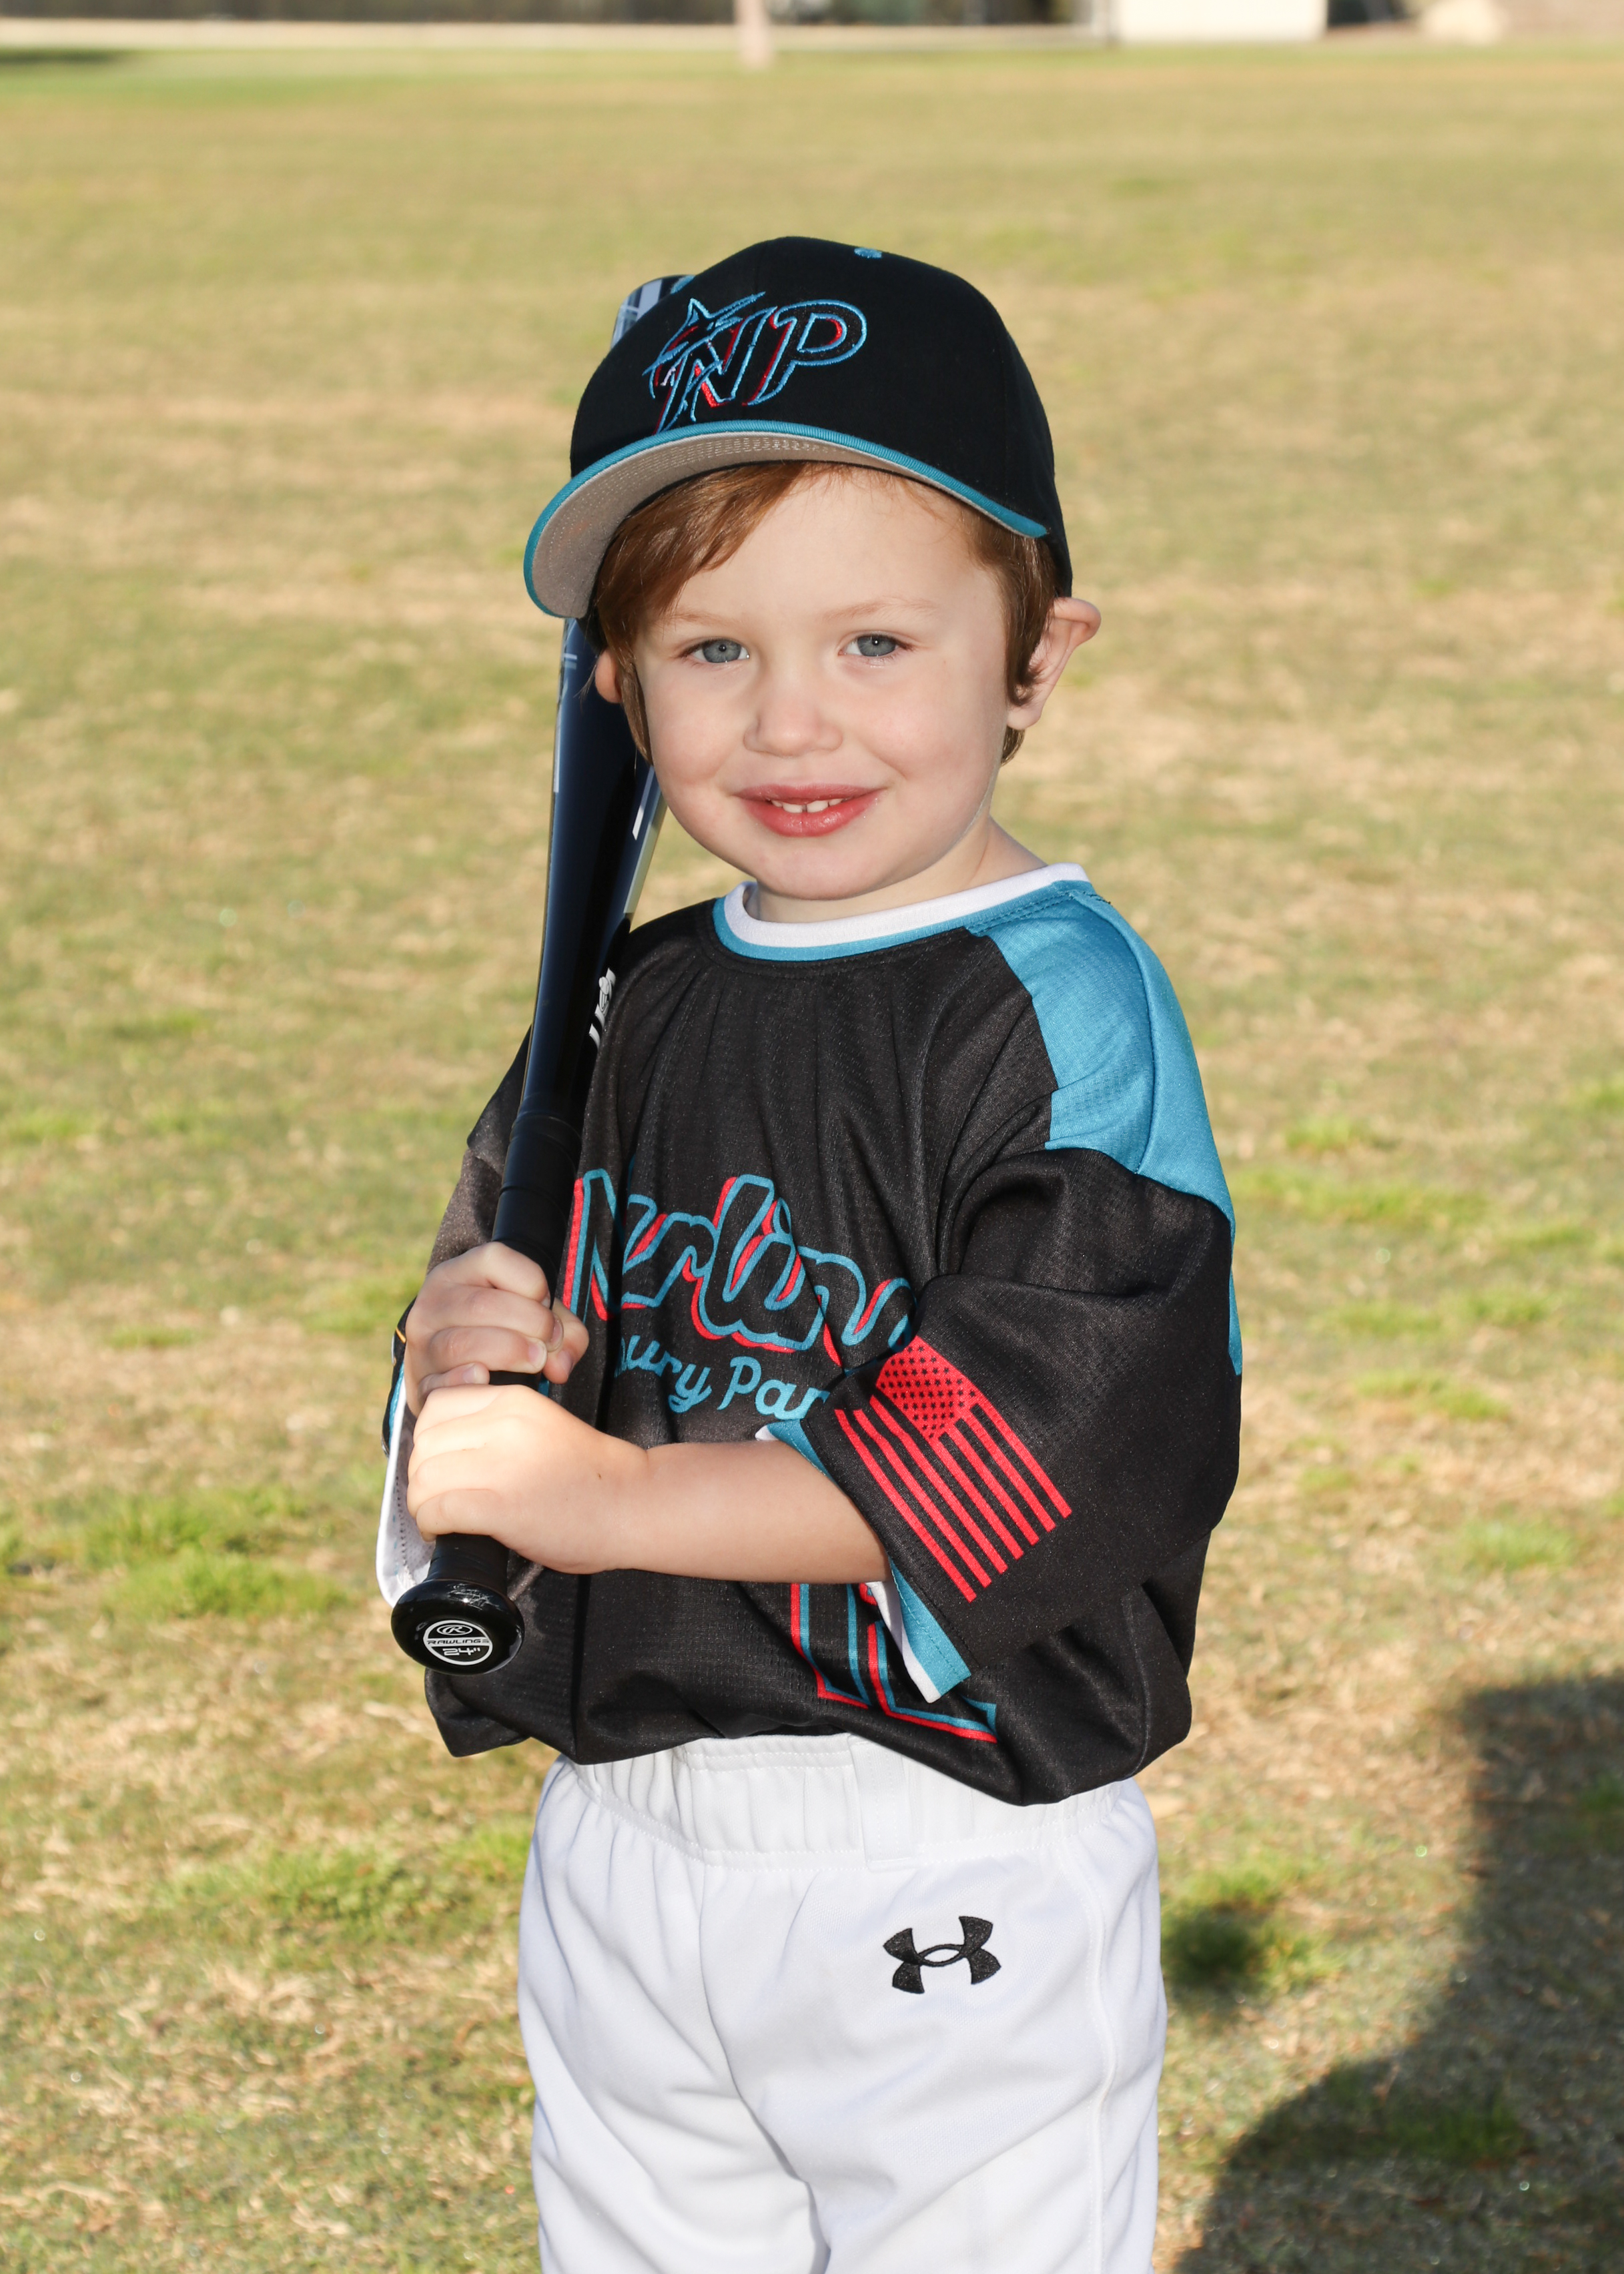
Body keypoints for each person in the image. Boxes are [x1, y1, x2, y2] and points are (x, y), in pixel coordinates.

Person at [376, 238, 1241, 2274]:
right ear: (614, 685)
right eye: (708, 648)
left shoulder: (1055, 1010)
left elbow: (1026, 1454)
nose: (789, 721)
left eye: (873, 642)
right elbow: (505, 1398)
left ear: (1033, 656)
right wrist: (456, 1359)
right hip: (624, 1835)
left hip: (938, 1834)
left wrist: (606, 1500)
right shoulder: (633, 999)